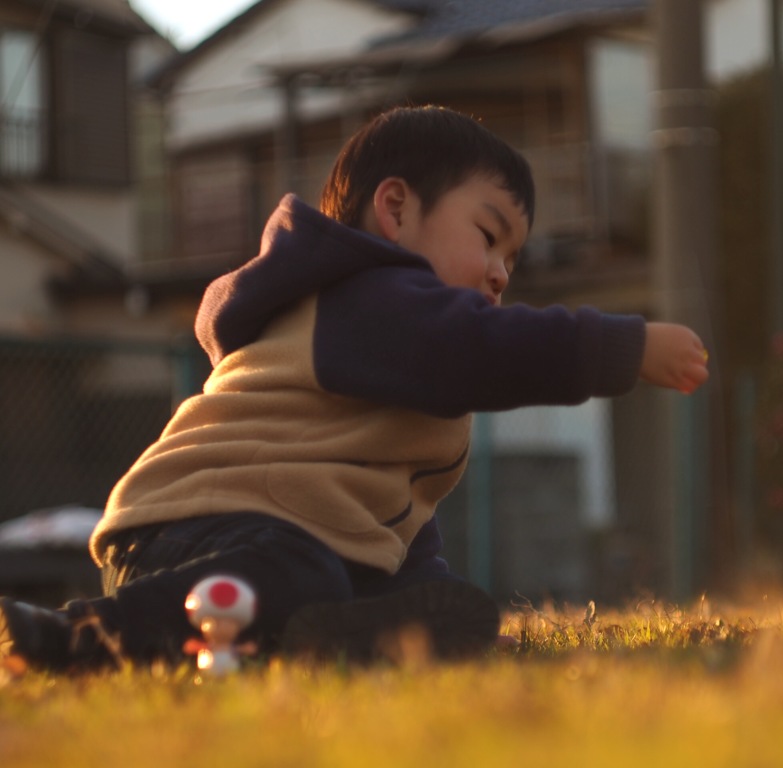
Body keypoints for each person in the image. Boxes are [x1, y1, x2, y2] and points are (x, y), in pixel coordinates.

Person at [0, 106, 709, 673]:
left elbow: (392, 513)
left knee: (426, 599)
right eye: (488, 236)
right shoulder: (371, 298)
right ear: (395, 211)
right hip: (190, 528)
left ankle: (321, 642)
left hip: (279, 537)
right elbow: (491, 348)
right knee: (300, 570)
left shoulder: (407, 350)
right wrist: (624, 345)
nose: (500, 272)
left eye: (512, 258)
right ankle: (79, 638)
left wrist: (420, 585)